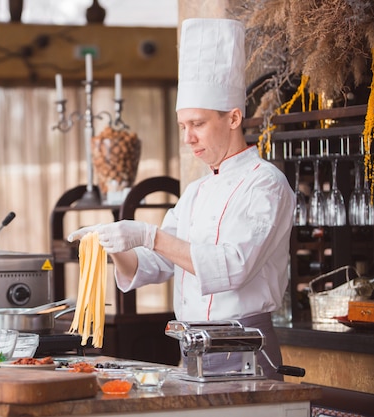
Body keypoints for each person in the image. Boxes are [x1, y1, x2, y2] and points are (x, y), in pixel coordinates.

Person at [67, 18, 295, 381]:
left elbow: (233, 268)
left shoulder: (266, 185)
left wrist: (149, 234)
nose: (188, 138)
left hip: (245, 351)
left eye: (199, 124)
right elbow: (149, 266)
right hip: (192, 352)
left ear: (234, 117)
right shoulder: (197, 191)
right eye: (182, 125)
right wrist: (110, 242)